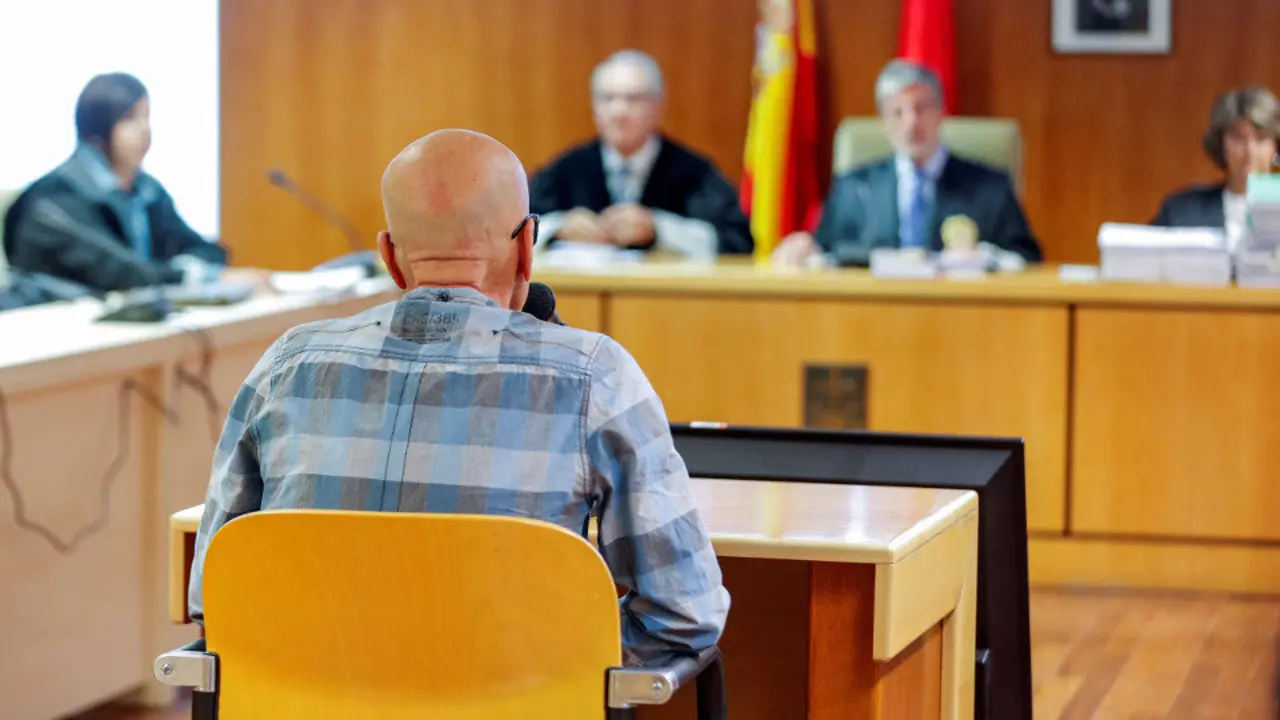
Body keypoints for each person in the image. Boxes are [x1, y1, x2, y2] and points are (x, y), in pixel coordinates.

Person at [187, 129, 729, 665]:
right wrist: (542, 657)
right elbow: (683, 615)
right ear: (525, 248)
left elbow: (215, 595)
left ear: (390, 258)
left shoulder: (288, 364)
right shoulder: (595, 375)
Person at [773, 60, 1042, 267]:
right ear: (884, 122)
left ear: (941, 112)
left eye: (921, 108)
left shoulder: (990, 187)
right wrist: (804, 248)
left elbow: (1028, 259)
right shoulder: (853, 187)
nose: (911, 122)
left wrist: (986, 256)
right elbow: (825, 253)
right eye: (898, 112)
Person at [3, 73, 226, 293]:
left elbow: (208, 251)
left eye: (146, 117)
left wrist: (188, 268)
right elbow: (125, 274)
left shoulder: (146, 191)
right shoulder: (54, 199)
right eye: (129, 118)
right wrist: (189, 274)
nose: (144, 130)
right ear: (97, 126)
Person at [529, 50, 753, 260]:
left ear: (658, 106)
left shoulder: (693, 173)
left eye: (633, 99)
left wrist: (658, 229)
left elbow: (736, 240)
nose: (619, 111)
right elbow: (514, 231)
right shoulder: (567, 169)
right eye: (608, 98)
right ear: (594, 106)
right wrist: (559, 228)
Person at [1150, 87, 1280, 251]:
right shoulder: (1181, 211)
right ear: (1221, 145)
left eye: (1261, 139)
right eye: (1238, 138)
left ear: (1276, 146)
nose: (1250, 151)